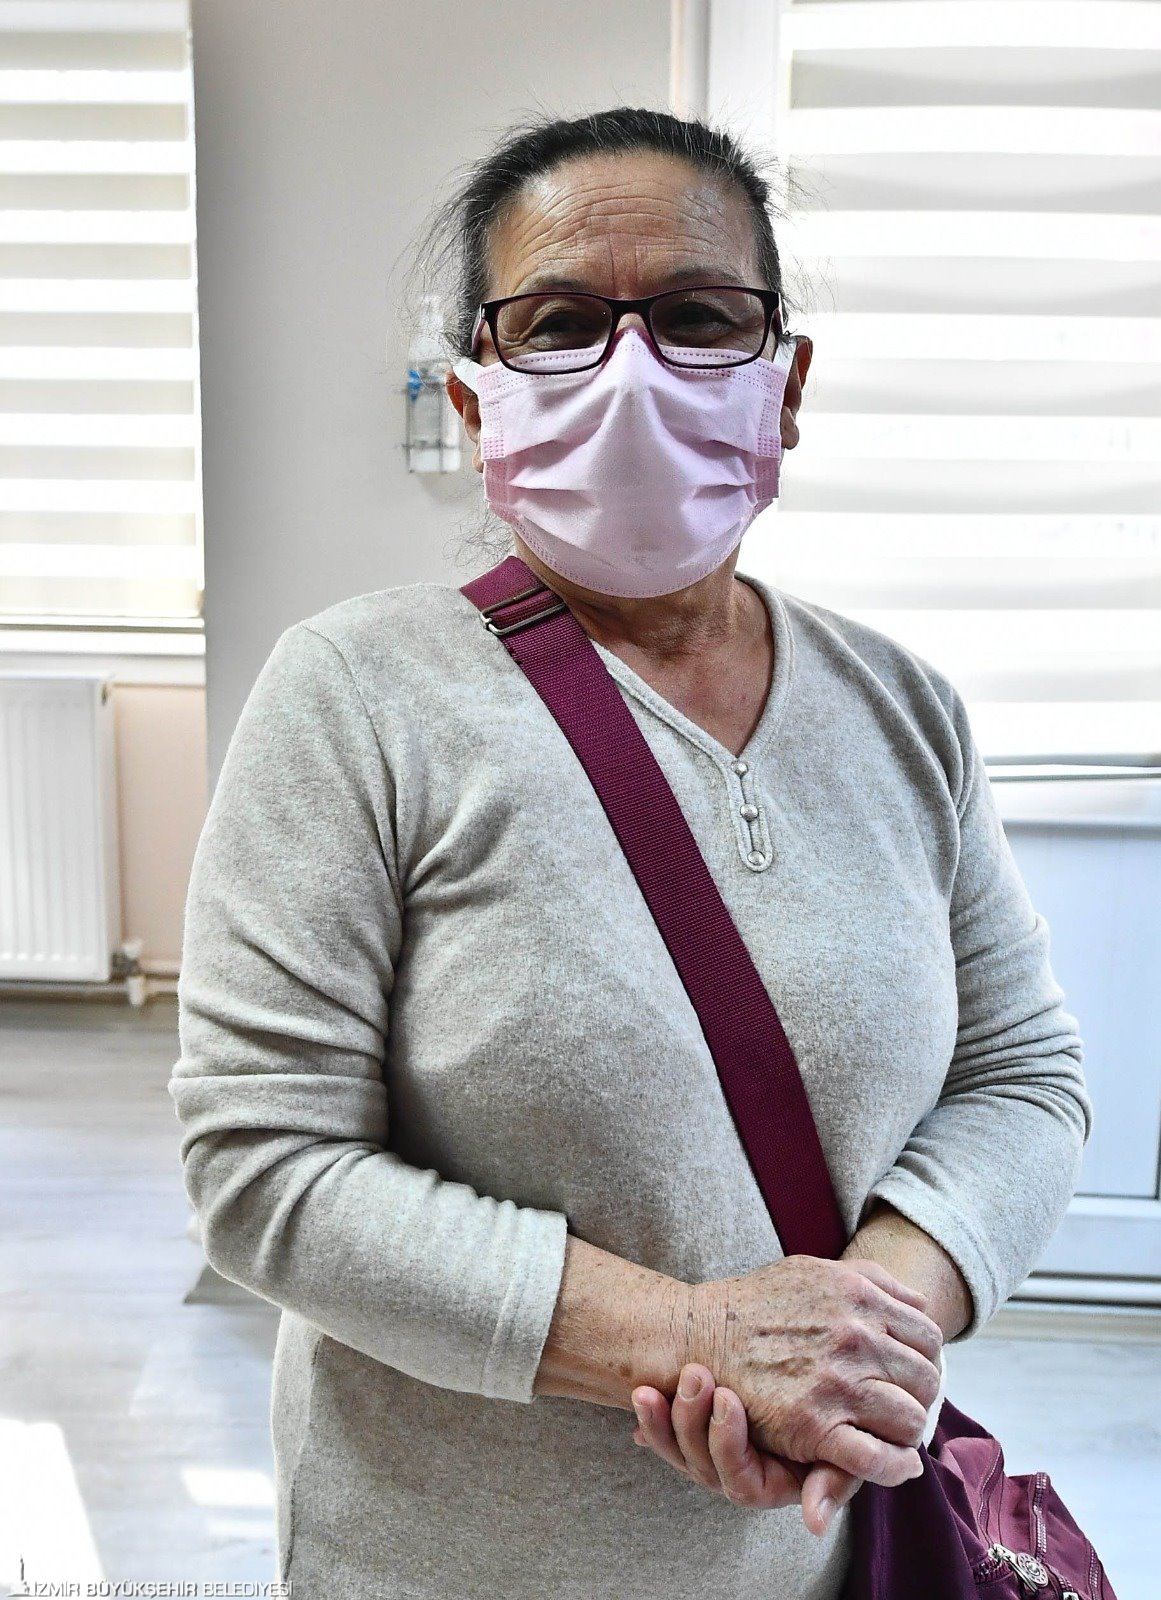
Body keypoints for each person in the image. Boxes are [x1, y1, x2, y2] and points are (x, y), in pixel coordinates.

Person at [169, 107, 1092, 1599]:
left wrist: (861, 1331)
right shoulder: (356, 697)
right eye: (558, 325)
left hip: (831, 1555)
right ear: (474, 403)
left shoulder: (901, 709)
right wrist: (696, 1344)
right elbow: (263, 1165)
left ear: (786, 387)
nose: (633, 371)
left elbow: (1023, 1077)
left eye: (698, 318)